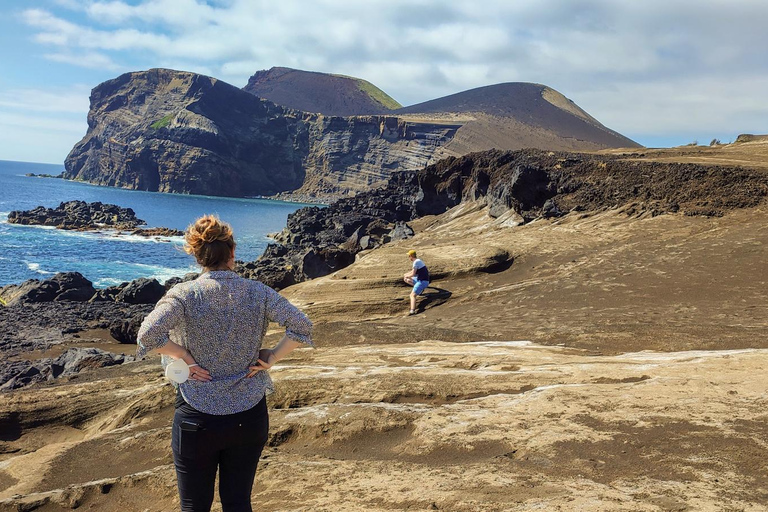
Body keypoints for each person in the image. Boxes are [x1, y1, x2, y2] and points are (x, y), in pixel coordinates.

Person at [136, 214, 312, 512]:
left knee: (194, 507)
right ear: (232, 253)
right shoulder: (259, 292)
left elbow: (147, 336)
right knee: (238, 503)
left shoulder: (184, 295)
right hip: (249, 415)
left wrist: (184, 357)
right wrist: (271, 357)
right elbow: (302, 326)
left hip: (197, 417)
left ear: (197, 255)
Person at [403, 249, 430, 315]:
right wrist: (406, 275)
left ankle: (412, 310)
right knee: (406, 279)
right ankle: (420, 290)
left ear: (411, 256)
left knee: (412, 295)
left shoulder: (416, 262)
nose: (409, 257)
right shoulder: (418, 261)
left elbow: (412, 274)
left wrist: (407, 275)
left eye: (409, 256)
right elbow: (413, 273)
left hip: (422, 281)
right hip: (422, 279)